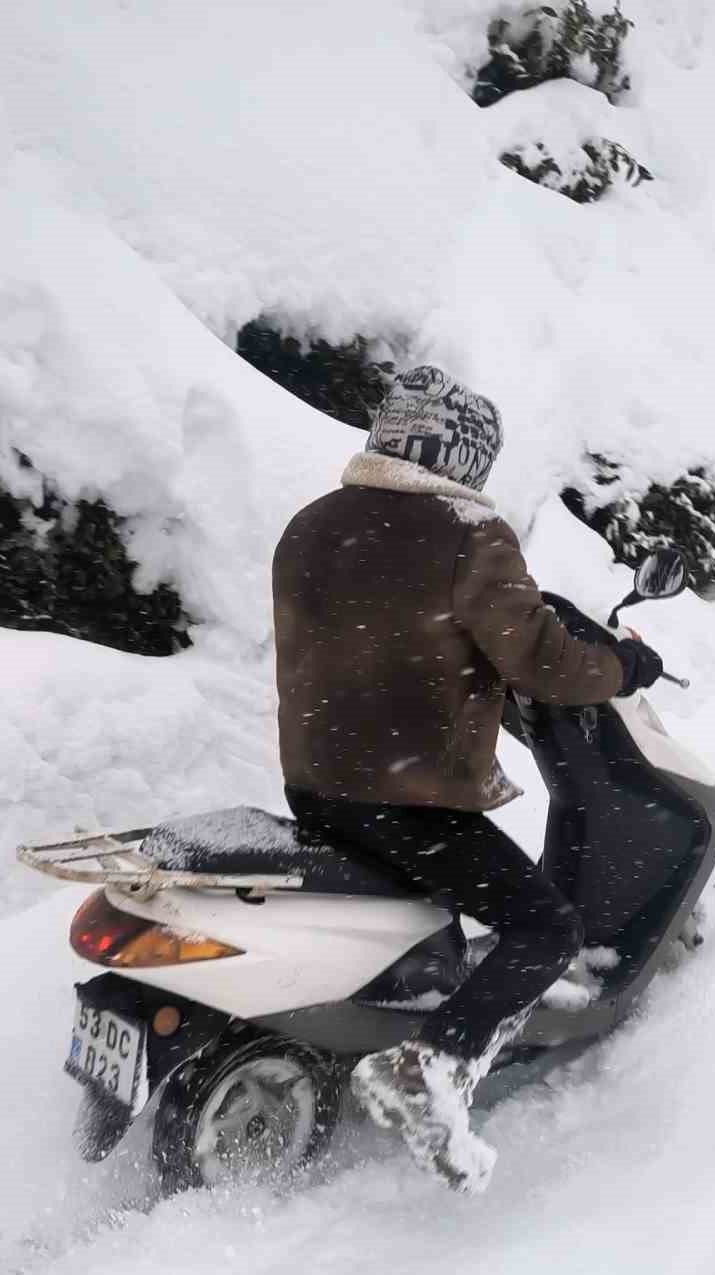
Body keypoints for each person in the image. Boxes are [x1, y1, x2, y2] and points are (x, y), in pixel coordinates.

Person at [272, 366, 662, 1193]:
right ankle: (430, 1065)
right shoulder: (466, 531)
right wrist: (622, 665)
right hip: (404, 796)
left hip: (316, 784)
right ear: (465, 457)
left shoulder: (313, 522)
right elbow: (545, 662)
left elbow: (368, 635)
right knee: (544, 930)